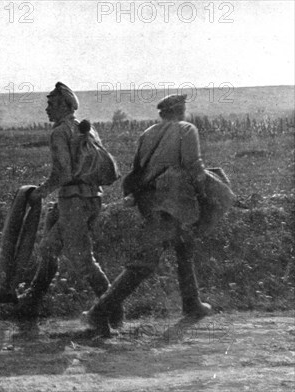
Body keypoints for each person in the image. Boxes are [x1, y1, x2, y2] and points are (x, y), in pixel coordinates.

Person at [83, 94, 224, 338]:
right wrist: (210, 193)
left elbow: (138, 170)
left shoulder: (147, 134)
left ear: (162, 113)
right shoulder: (187, 129)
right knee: (145, 263)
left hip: (151, 202)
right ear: (181, 110)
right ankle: (100, 310)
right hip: (173, 202)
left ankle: (192, 303)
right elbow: (194, 166)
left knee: (184, 248)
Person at [18, 82, 122, 325]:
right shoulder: (86, 129)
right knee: (49, 248)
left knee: (82, 259)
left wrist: (40, 193)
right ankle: (31, 302)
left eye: (51, 103)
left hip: (74, 201)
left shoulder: (59, 132)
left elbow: (63, 173)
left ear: (65, 105)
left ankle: (111, 310)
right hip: (90, 199)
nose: (47, 109)